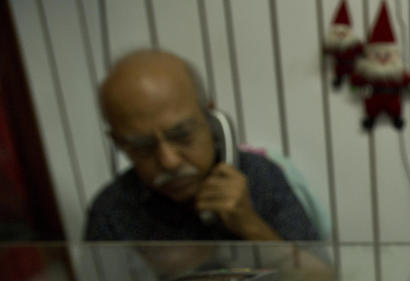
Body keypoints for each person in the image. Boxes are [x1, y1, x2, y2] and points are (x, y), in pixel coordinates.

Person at [85, 49, 318, 242]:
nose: (169, 161)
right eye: (143, 147)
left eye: (182, 135)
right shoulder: (111, 212)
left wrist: (250, 225)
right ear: (119, 142)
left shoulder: (259, 175)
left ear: (210, 118)